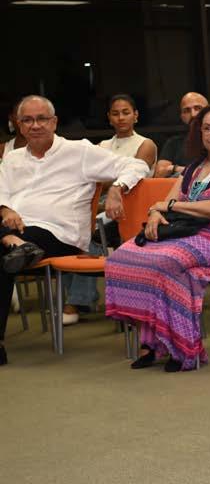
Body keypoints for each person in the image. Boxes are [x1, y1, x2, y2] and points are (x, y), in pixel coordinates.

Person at [104, 105, 210, 372]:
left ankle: (180, 348)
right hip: (187, 234)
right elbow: (165, 202)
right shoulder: (196, 167)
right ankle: (154, 341)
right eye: (207, 128)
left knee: (166, 261)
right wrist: (155, 214)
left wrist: (171, 206)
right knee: (121, 257)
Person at [0, 95, 149, 365]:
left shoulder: (79, 151)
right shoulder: (12, 159)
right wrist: (5, 209)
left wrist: (117, 188)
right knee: (4, 255)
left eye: (42, 118)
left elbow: (137, 165)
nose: (35, 125)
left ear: (54, 122)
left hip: (58, 233)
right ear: (19, 125)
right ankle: (13, 243)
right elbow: (2, 191)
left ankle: (14, 244)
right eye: (28, 120)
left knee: (6, 252)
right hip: (16, 227)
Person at [63, 94, 158, 325]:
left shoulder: (146, 144)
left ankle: (77, 301)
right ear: (109, 118)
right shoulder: (102, 146)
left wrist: (105, 180)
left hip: (134, 210)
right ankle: (81, 298)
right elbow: (90, 180)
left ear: (136, 116)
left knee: (91, 232)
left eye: (126, 112)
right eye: (115, 113)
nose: (121, 117)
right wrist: (104, 181)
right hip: (102, 207)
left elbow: (136, 176)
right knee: (67, 231)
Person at [155, 92, 208, 178]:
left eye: (198, 108)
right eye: (187, 111)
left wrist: (173, 169)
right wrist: (178, 169)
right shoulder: (174, 143)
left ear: (209, 111)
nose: (193, 114)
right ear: (182, 116)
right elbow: (159, 173)